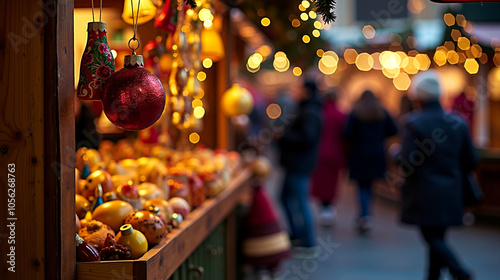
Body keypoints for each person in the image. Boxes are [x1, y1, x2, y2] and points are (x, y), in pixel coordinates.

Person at [396, 70, 477, 280]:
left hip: (423, 191)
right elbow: (471, 160)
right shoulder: (458, 123)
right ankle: (434, 276)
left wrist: (394, 153)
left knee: (431, 236)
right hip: (451, 188)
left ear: (418, 95)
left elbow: (408, 162)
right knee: (437, 236)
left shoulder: (413, 123)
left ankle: (459, 271)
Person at [277, 80, 323, 255]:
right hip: (296, 163)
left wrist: (285, 136)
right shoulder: (308, 109)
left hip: (299, 164)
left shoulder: (310, 112)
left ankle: (307, 240)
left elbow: (307, 138)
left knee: (300, 201)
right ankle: (298, 235)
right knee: (286, 198)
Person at [344, 90, 398, 233]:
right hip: (376, 154)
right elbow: (394, 129)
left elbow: (347, 133)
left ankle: (364, 215)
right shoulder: (382, 112)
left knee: (362, 186)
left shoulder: (356, 113)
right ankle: (366, 215)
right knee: (369, 185)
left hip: (359, 154)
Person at [310, 90, 347, 226]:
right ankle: (328, 208)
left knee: (321, 183)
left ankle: (324, 208)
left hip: (320, 154)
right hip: (336, 154)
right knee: (332, 183)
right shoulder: (341, 115)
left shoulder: (320, 113)